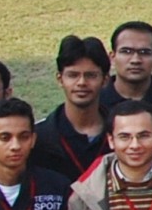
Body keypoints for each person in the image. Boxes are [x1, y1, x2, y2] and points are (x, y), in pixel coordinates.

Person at [35, 35, 113, 182]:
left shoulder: (122, 132)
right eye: (73, 75)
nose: (82, 82)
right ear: (60, 79)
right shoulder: (40, 137)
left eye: (91, 75)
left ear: (105, 80)